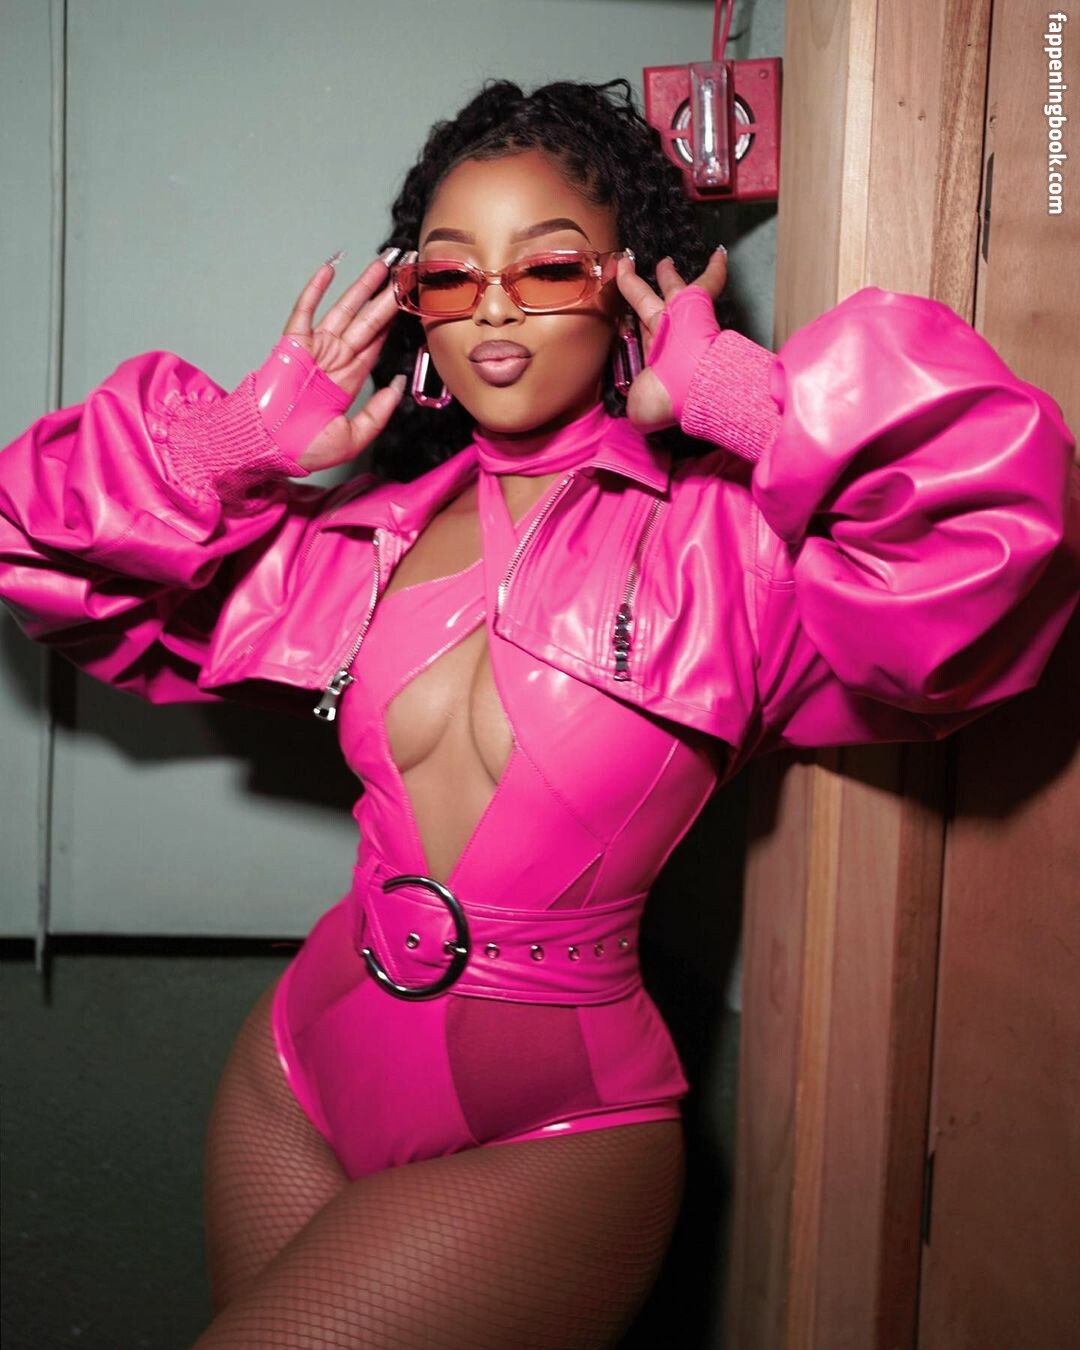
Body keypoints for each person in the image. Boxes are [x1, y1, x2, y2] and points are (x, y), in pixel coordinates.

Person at [1, 76, 1077, 1350]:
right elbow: (41, 552)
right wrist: (231, 442)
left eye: (549, 267)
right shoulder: (358, 540)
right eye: (450, 275)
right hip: (296, 1067)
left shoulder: (733, 545)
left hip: (552, 1131)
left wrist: (740, 398)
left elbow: (1000, 532)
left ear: (628, 288)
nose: (495, 306)